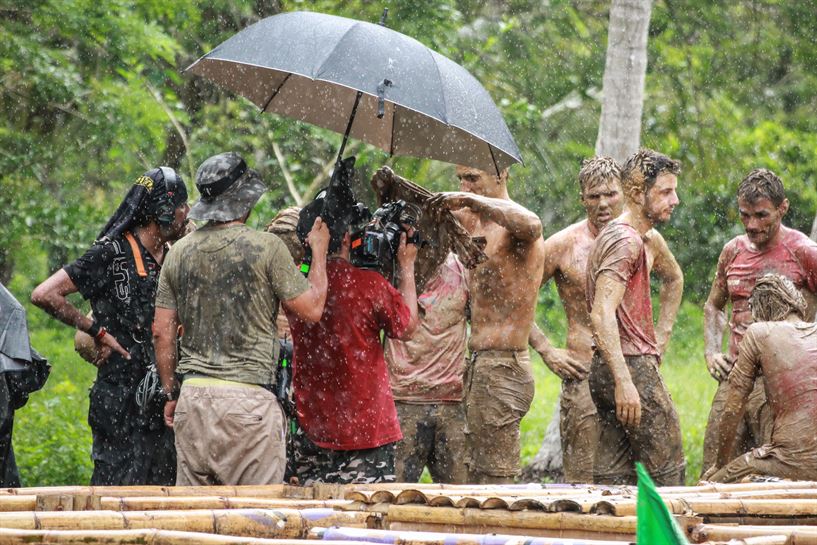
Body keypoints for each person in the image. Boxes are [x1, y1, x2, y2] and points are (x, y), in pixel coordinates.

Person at [154, 152, 329, 486]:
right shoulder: (267, 248)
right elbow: (313, 309)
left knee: (194, 522)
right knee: (256, 518)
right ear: (247, 199)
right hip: (249, 404)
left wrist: (171, 392)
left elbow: (162, 332)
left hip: (193, 399)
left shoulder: (178, 253)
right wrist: (318, 253)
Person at [528, 156, 683, 483]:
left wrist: (662, 337)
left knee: (647, 470)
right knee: (588, 478)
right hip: (585, 371)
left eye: (610, 194)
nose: (602, 203)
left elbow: (674, 279)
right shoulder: (562, 244)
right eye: (593, 196)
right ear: (582, 198)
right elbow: (517, 298)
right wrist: (547, 349)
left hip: (632, 367)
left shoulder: (646, 238)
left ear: (626, 193)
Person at [31, 167, 189, 485]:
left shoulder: (173, 256)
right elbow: (45, 294)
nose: (186, 214)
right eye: (182, 205)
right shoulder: (112, 252)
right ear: (162, 209)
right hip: (119, 396)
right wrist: (95, 331)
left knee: (163, 488)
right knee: (115, 487)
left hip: (163, 398)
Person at [430, 165, 544, 484]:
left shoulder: (517, 224)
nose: (465, 186)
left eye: (473, 178)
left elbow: (532, 225)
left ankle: (501, 533)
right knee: (475, 473)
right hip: (478, 365)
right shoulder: (472, 223)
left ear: (501, 174)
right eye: (460, 180)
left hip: (504, 366)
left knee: (497, 481)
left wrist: (475, 202)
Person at [286, 215, 419, 485]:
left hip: (312, 426)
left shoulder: (295, 286)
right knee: (367, 519)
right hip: (366, 430)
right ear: (347, 239)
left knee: (313, 519)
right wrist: (406, 266)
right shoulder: (369, 285)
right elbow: (407, 328)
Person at [701, 168, 817, 474]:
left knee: (778, 473)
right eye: (745, 215)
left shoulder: (804, 252)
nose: (752, 225)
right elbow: (714, 306)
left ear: (783, 208)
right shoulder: (733, 251)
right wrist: (712, 352)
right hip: (736, 373)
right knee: (715, 468)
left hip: (781, 380)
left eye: (762, 215)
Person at [587, 148, 685, 486]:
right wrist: (625, 381)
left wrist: (663, 333)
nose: (675, 200)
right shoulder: (625, 241)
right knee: (668, 478)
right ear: (635, 192)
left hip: (606, 364)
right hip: (628, 366)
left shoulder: (630, 235)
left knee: (612, 482)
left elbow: (674, 278)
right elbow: (601, 314)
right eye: (665, 192)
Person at [704, 274, 817, 482]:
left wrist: (720, 464)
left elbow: (732, 408)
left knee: (709, 486)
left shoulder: (760, 332)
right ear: (797, 302)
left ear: (759, 312)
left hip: (788, 462)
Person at [384, 252, 469, 483]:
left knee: (460, 501)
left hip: (451, 403)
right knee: (393, 498)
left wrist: (544, 347)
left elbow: (491, 316)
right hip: (402, 402)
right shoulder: (389, 265)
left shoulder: (462, 268)